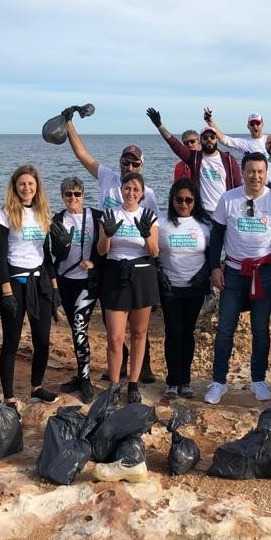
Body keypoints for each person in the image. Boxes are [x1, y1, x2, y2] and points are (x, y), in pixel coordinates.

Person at [63, 110, 157, 381]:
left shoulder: (147, 193)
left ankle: (143, 369)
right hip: (106, 255)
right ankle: (119, 364)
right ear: (120, 162)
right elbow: (83, 154)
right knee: (112, 318)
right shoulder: (107, 178)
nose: (129, 167)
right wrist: (69, 123)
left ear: (140, 166)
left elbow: (152, 230)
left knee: (139, 322)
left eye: (134, 164)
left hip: (137, 260)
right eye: (126, 162)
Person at [205, 152, 271, 404]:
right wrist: (214, 268)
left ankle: (258, 380)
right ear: (242, 172)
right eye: (251, 171)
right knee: (225, 329)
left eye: (260, 172)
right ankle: (218, 382)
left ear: (267, 174)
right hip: (233, 272)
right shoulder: (229, 199)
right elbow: (216, 237)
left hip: (265, 272)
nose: (255, 176)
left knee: (260, 329)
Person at [0, 164, 60, 405]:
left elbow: (47, 253)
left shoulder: (43, 213)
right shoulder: (5, 214)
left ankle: (36, 386)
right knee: (11, 341)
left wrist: (54, 286)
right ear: (15, 186)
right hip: (15, 281)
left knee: (42, 340)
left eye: (30, 184)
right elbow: (0, 256)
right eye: (22, 183)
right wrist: (6, 289)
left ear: (37, 187)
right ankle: (9, 396)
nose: (26, 188)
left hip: (39, 281)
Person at [97, 172, 160, 404]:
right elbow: (102, 251)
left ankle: (133, 383)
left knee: (139, 333)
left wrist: (145, 236)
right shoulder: (109, 215)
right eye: (127, 188)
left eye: (135, 189)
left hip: (142, 274)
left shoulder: (149, 216)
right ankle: (114, 385)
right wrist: (108, 235)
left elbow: (154, 252)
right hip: (115, 274)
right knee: (114, 337)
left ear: (142, 193)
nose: (131, 193)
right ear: (120, 190)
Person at [157, 179, 212, 399]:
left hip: (194, 288)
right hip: (170, 286)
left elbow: (212, 254)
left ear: (195, 201)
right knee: (172, 332)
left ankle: (186, 381)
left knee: (187, 333)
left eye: (188, 200)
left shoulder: (204, 224)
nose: (183, 204)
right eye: (179, 199)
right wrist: (158, 272)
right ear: (172, 199)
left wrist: (205, 273)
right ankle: (172, 381)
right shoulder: (161, 222)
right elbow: (151, 250)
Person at [51, 176, 103, 405]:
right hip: (65, 281)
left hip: (86, 282)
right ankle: (80, 372)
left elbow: (105, 249)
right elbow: (56, 255)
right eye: (68, 194)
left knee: (80, 327)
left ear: (83, 195)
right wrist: (63, 246)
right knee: (74, 329)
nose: (73, 198)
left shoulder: (95, 217)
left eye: (77, 194)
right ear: (62, 196)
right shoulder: (57, 219)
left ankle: (84, 379)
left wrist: (94, 263)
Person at [146, 107, 242, 214]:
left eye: (212, 137)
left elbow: (238, 186)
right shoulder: (195, 158)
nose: (209, 139)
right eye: (205, 138)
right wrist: (159, 125)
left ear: (216, 139)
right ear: (201, 140)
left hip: (225, 211)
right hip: (202, 212)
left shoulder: (228, 160)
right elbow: (175, 145)